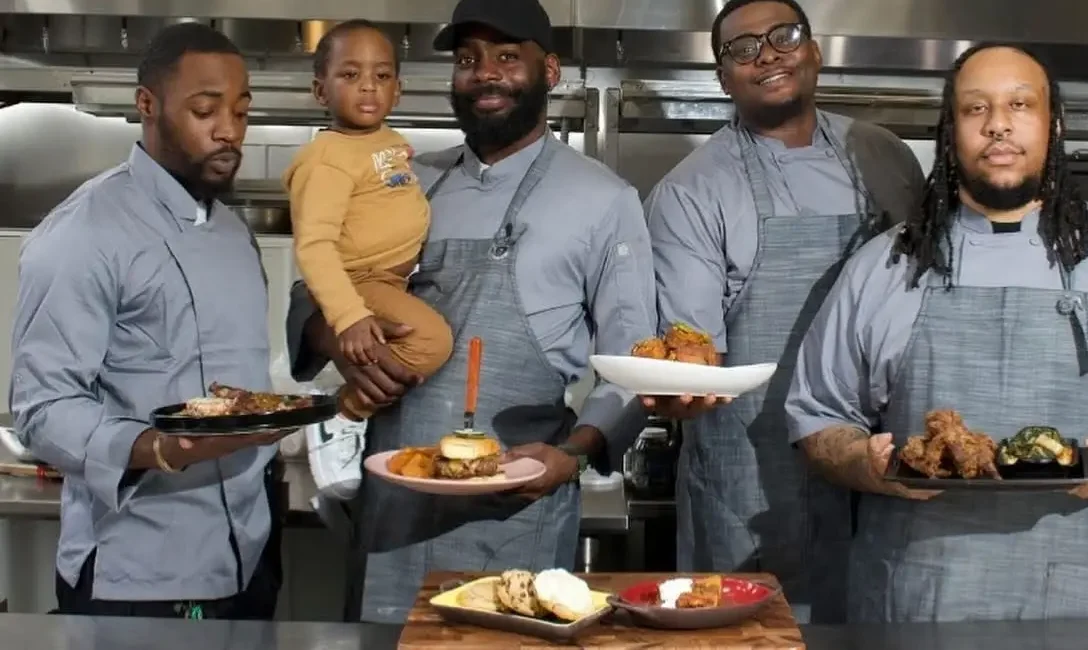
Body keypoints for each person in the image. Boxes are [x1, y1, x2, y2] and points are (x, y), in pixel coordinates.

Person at [785, 43, 1088, 623]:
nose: (998, 124)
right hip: (917, 607)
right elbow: (818, 419)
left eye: (1020, 104)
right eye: (976, 109)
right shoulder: (882, 268)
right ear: (950, 131)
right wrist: (861, 463)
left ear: (1054, 124)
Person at [285, 0, 656, 624]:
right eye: (467, 59)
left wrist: (575, 454)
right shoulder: (406, 179)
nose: (485, 73)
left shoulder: (604, 200)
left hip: (515, 508)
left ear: (551, 71)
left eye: (507, 57)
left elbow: (633, 363)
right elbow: (319, 285)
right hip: (395, 512)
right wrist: (338, 337)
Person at [641, 0, 924, 624]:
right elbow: (696, 355)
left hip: (883, 450)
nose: (765, 54)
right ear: (722, 77)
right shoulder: (692, 191)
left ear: (814, 49)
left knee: (878, 620)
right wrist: (676, 389)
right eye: (742, 49)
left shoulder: (886, 157)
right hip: (753, 464)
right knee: (752, 629)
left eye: (783, 36)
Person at [8, 23, 287, 619]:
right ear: (147, 106)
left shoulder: (235, 236)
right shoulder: (85, 231)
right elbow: (41, 407)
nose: (229, 131)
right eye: (205, 110)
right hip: (139, 577)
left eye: (241, 111)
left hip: (251, 559)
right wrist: (160, 448)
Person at [284, 20, 453, 425]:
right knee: (432, 342)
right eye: (350, 74)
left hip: (390, 280)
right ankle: (349, 404)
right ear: (320, 90)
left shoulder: (384, 140)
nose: (368, 86)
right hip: (361, 280)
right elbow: (315, 246)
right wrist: (350, 318)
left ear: (398, 90)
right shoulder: (327, 158)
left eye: (381, 76)